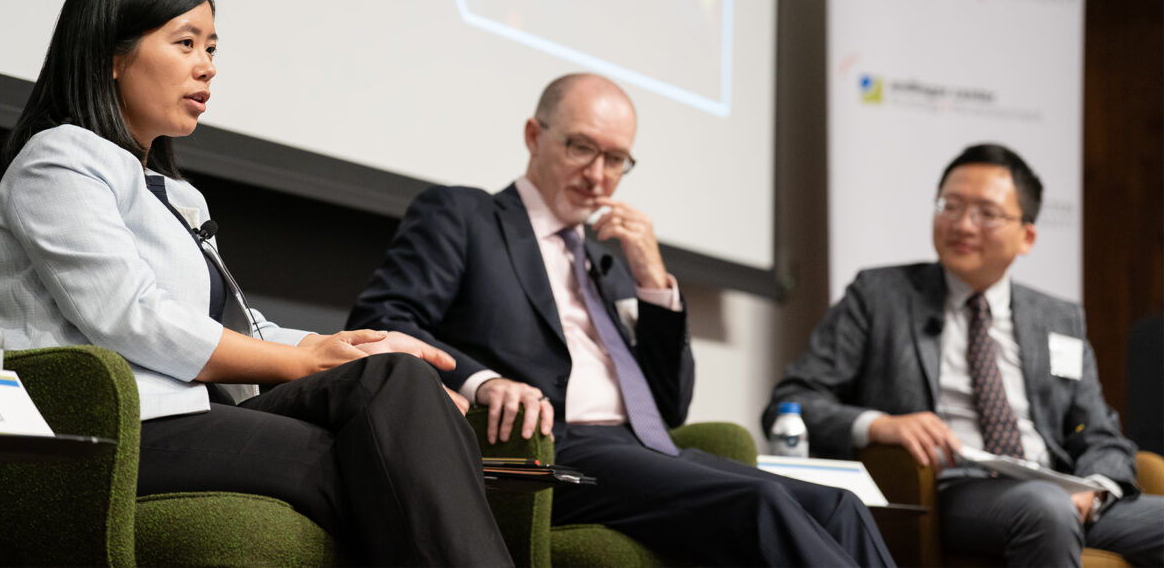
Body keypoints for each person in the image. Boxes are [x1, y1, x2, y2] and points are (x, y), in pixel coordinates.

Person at [0, 0, 511, 567]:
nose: (206, 68)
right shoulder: (59, 160)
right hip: (118, 430)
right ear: (113, 56)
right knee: (386, 464)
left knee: (395, 379)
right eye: (185, 44)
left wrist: (355, 348)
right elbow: (130, 316)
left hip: (196, 411)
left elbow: (243, 332)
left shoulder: (180, 194)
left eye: (212, 49)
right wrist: (304, 361)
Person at [347, 73, 895, 566]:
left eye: (616, 160)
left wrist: (655, 282)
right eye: (582, 148)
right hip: (551, 447)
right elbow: (383, 316)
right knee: (762, 502)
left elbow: (670, 405)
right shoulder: (464, 216)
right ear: (535, 136)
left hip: (642, 447)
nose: (598, 176)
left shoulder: (605, 262)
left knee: (840, 507)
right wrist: (485, 382)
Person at [764, 143, 1164, 566]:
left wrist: (1094, 487)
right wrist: (880, 425)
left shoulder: (1057, 318)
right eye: (950, 206)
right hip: (949, 488)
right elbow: (792, 400)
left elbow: (1100, 434)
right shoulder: (879, 296)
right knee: (1046, 509)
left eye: (986, 213)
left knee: (1062, 504)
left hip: (1063, 490)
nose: (963, 225)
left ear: (1027, 236)